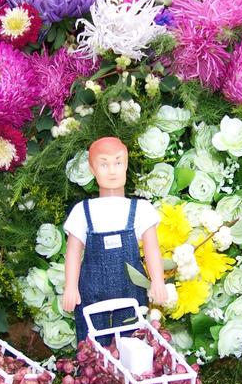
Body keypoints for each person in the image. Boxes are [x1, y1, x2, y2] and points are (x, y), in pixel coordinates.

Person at [62, 137, 167, 343]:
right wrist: (71, 287)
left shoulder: (141, 209)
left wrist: (158, 281)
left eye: (118, 162)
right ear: (92, 169)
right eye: (104, 164)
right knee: (92, 342)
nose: (112, 171)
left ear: (126, 165)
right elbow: (73, 252)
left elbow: (152, 249)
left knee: (133, 341)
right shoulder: (82, 211)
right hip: (91, 290)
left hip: (131, 288)